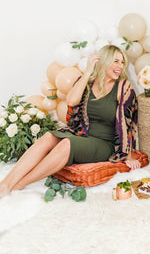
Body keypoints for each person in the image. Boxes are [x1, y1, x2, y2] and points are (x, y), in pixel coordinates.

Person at [0, 45, 140, 198]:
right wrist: (87, 72)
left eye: (122, 62)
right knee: (48, 137)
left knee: (66, 143)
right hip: (82, 134)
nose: (120, 66)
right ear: (104, 62)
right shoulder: (86, 82)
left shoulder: (123, 86)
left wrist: (129, 155)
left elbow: (126, 122)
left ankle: (21, 183)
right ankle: (5, 184)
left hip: (104, 143)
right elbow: (72, 101)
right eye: (115, 61)